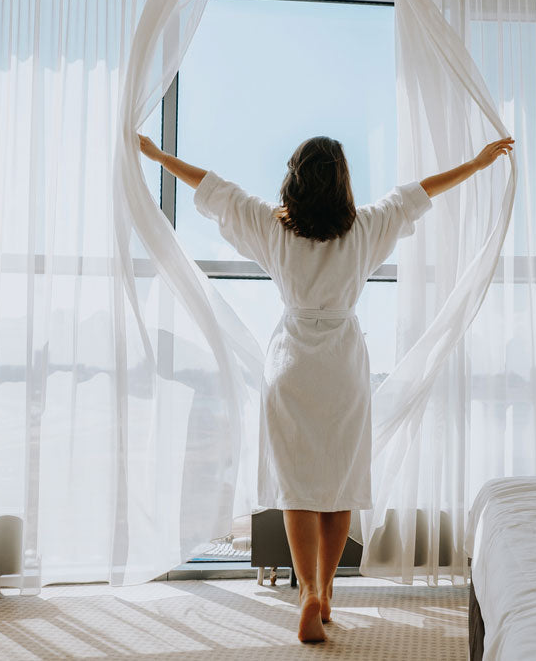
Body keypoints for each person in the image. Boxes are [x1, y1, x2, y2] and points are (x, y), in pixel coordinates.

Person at [137, 133, 514, 643]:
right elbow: (420, 193)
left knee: (297, 489)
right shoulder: (363, 229)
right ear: (342, 183)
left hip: (290, 366)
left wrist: (159, 157)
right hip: (341, 367)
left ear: (294, 179)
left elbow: (214, 188)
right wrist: (475, 161)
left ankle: (308, 588)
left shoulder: (274, 228)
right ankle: (328, 590)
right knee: (339, 488)